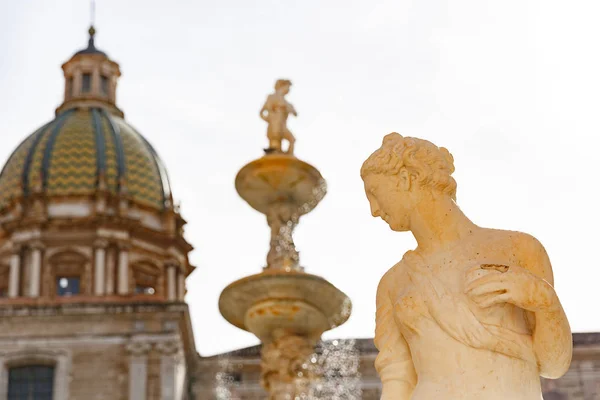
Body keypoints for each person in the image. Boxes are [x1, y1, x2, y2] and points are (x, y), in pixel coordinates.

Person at [361, 133, 572, 400]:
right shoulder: (393, 282)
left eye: (375, 194)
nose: (374, 210)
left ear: (405, 180)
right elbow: (397, 379)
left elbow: (553, 366)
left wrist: (544, 300)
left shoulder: (519, 249)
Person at [260, 79, 297, 154]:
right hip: (275, 124)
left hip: (282, 124)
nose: (288, 90)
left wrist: (287, 108)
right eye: (287, 87)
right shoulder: (272, 97)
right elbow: (262, 112)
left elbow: (295, 113)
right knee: (275, 142)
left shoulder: (286, 102)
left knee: (292, 139)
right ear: (282, 87)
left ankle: (288, 157)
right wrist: (269, 119)